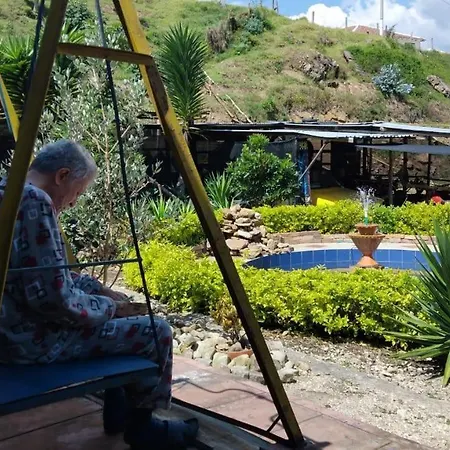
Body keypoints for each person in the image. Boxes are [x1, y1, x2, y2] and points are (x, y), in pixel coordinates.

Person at [0, 140, 198, 449]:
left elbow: (43, 275)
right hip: (29, 341)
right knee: (156, 331)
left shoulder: (8, 190)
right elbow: (56, 302)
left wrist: (97, 290)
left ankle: (118, 412)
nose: (73, 203)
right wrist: (109, 307)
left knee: (107, 321)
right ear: (62, 175)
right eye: (78, 192)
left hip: (9, 327)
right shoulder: (34, 202)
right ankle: (143, 427)